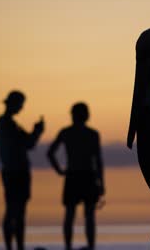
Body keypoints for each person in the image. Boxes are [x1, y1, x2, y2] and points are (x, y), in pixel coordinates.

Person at [48, 102, 105, 250]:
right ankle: (90, 247)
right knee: (88, 215)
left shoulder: (66, 132)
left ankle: (69, 247)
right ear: (86, 116)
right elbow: (98, 161)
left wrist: (60, 170)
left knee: (71, 214)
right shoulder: (92, 134)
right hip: (87, 177)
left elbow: (50, 153)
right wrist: (101, 183)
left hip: (74, 176)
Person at [0, 90, 44, 250]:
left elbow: (28, 143)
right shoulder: (6, 123)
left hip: (17, 171)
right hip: (14, 172)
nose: (21, 107)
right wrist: (37, 132)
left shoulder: (9, 124)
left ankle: (18, 246)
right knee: (13, 210)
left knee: (18, 211)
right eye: (20, 104)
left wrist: (36, 132)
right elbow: (27, 142)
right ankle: (13, 247)